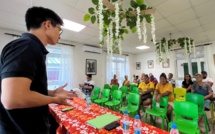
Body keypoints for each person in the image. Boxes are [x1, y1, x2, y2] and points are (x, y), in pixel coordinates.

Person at [0, 7, 76, 134]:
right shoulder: (26, 46)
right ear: (47, 25)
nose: (60, 36)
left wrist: (52, 93)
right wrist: (56, 100)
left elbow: (26, 90)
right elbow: (13, 99)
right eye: (59, 30)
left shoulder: (29, 47)